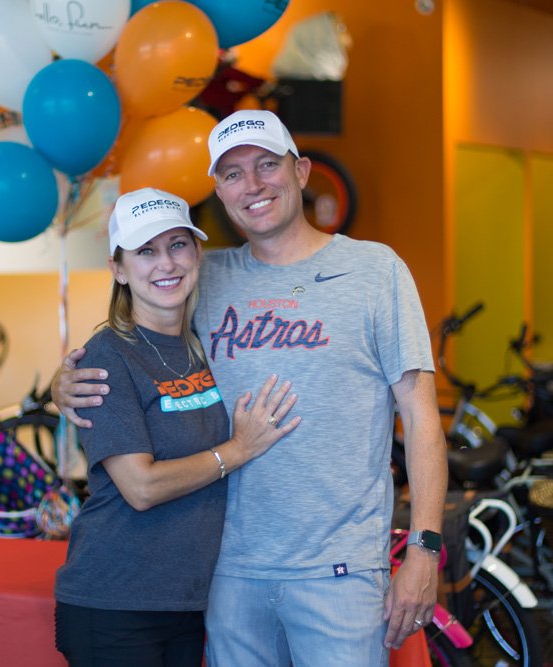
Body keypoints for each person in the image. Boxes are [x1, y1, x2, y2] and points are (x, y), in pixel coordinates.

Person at [53, 110, 448, 666]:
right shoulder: (202, 277)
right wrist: (62, 382)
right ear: (219, 190)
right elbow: (131, 343)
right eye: (233, 173)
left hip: (340, 572)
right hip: (227, 574)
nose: (253, 184)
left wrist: (425, 550)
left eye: (267, 164)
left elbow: (423, 419)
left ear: (302, 171)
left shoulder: (374, 271)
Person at [54, 186, 301, 667]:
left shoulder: (205, 343)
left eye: (177, 245)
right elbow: (140, 487)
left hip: (186, 601)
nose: (165, 263)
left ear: (197, 252)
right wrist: (237, 450)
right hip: (115, 602)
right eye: (145, 251)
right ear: (119, 269)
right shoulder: (109, 355)